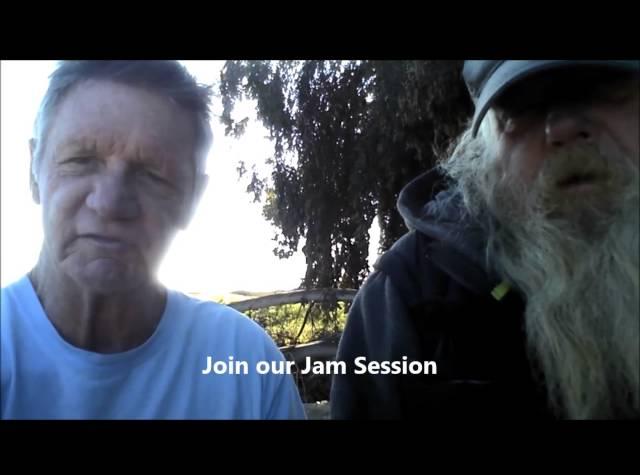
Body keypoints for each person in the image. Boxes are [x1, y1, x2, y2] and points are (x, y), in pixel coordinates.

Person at [331, 60, 639, 420]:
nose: (563, 127)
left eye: (601, 84)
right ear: (483, 143)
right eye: (523, 102)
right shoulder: (407, 297)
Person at [1, 60, 306, 420]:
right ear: (33, 172)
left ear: (191, 200)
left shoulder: (243, 361)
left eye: (152, 175)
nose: (110, 203)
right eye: (81, 160)